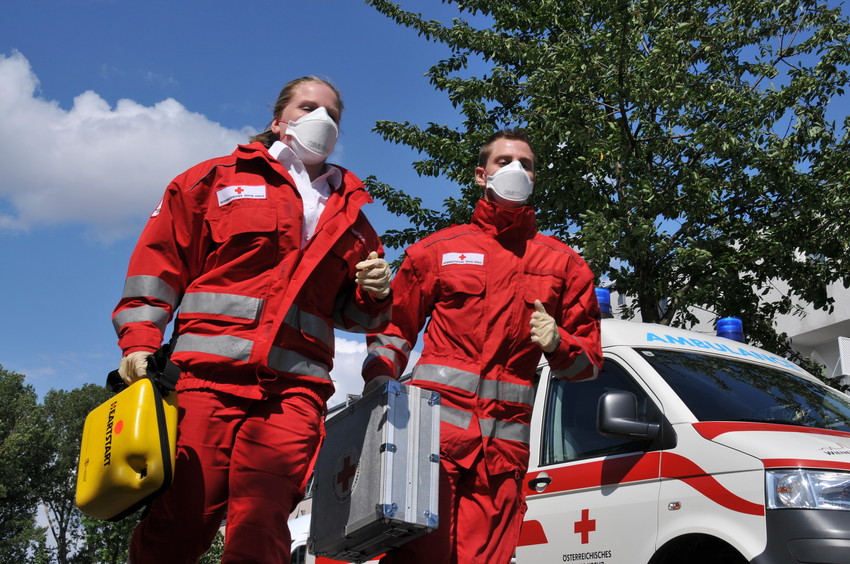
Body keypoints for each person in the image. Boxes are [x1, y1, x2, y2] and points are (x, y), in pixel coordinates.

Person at [111, 76, 392, 564]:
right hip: (205, 379)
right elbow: (158, 267)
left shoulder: (353, 216)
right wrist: (138, 341)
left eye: (332, 115)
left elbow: (352, 312)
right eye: (308, 106)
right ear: (278, 117)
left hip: (293, 392)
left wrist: (377, 293)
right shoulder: (212, 180)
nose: (320, 120)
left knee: (261, 526)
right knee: (183, 519)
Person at [361, 129, 603, 564]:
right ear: (481, 174)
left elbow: (588, 365)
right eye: (504, 160)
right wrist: (378, 393)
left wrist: (560, 343)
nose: (516, 169)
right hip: (431, 450)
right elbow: (394, 331)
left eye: (526, 164)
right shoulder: (436, 251)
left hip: (502, 462)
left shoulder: (564, 265)